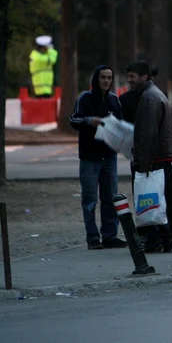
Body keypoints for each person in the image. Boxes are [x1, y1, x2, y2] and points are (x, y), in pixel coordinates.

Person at [120, 66, 172, 244]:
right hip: (150, 155)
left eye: (132, 76)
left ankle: (161, 234)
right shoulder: (145, 96)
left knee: (156, 195)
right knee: (153, 196)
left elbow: (149, 132)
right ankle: (159, 233)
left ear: (144, 76)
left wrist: (144, 161)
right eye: (129, 76)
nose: (130, 80)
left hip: (152, 156)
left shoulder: (149, 97)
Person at [69, 65, 128, 250]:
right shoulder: (85, 98)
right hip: (89, 157)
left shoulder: (114, 100)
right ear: (96, 79)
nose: (106, 81)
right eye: (103, 77)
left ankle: (110, 235)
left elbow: (120, 125)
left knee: (110, 197)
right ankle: (93, 237)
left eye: (109, 78)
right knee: (89, 200)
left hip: (109, 157)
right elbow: (74, 120)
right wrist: (89, 121)